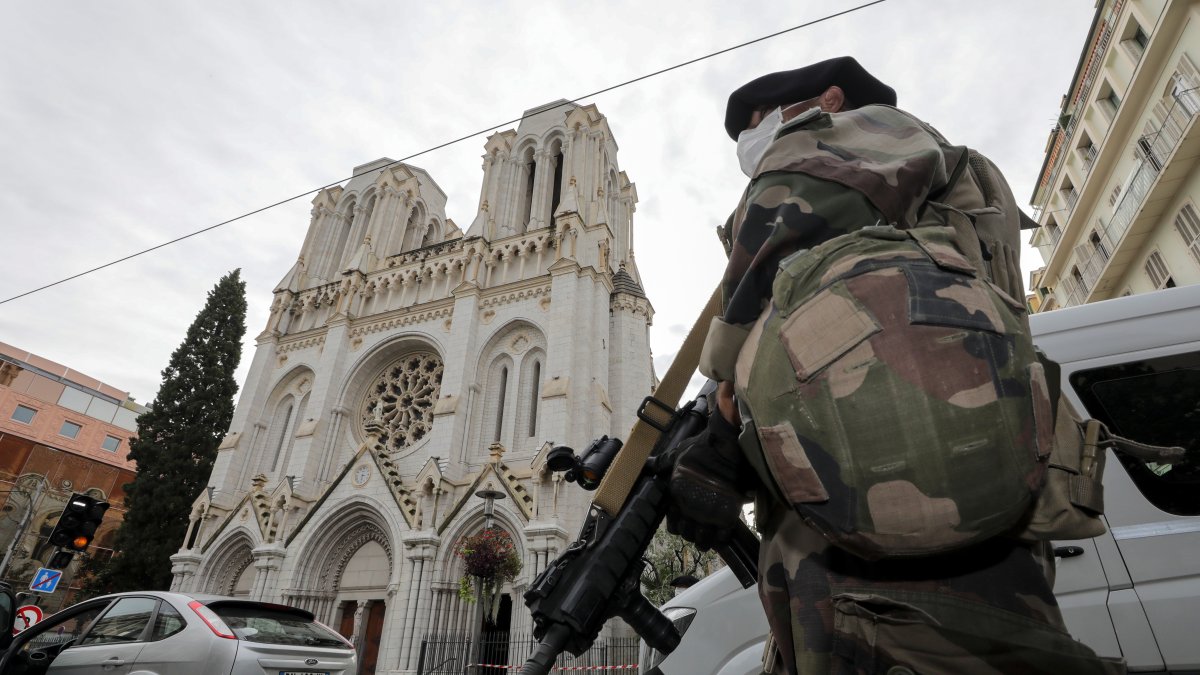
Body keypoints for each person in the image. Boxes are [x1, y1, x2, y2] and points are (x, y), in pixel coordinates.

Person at [663, 56, 1123, 674]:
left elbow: (782, 236)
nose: (755, 143)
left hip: (879, 517)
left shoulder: (865, 131)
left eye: (759, 122)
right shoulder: (940, 179)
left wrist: (721, 422)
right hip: (963, 496)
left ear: (828, 100)